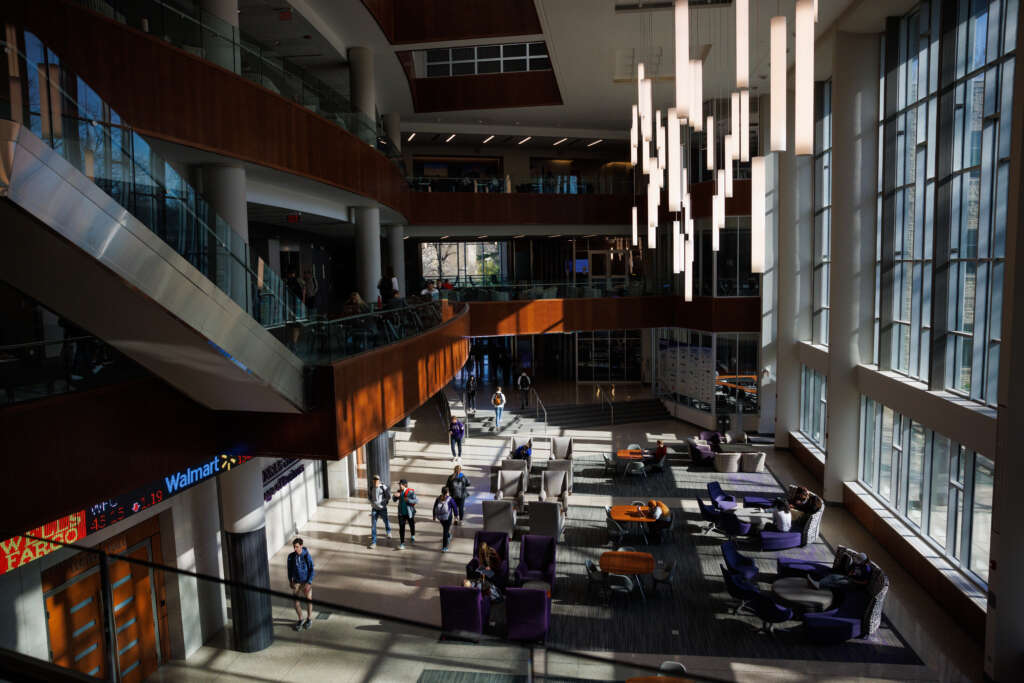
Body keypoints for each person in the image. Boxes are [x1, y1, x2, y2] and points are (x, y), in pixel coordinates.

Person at [287, 538, 314, 630]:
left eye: (297, 547)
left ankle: (309, 618)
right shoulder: (291, 557)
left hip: (306, 582)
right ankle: (300, 619)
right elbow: (289, 570)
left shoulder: (306, 556)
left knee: (308, 599)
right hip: (296, 582)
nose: (295, 549)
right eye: (294, 547)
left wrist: (309, 582)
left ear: (301, 546)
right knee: (295, 602)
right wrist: (290, 581)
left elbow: (311, 569)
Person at [392, 479, 418, 549]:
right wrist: (394, 496)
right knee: (401, 528)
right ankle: (402, 543)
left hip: (409, 512)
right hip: (401, 513)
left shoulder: (410, 492)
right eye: (399, 484)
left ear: (404, 485)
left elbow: (416, 500)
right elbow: (394, 500)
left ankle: (412, 535)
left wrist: (408, 500)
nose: (399, 486)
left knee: (411, 525)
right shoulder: (399, 491)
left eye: (400, 484)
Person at [367, 474, 391, 548]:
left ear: (379, 480)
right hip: (374, 509)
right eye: (374, 480)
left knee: (386, 521)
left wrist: (383, 503)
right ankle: (374, 542)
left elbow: (388, 496)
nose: (375, 481)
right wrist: (372, 503)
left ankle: (388, 532)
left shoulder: (383, 487)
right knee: (373, 526)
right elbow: (369, 496)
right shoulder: (371, 487)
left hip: (382, 508)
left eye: (377, 480)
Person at [433, 486, 458, 552]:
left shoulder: (438, 498)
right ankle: (444, 547)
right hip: (448, 517)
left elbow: (434, 507)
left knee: (445, 529)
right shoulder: (450, 499)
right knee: (445, 532)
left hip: (440, 518)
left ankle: (448, 535)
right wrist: (456, 516)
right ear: (447, 492)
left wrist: (434, 516)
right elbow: (455, 508)